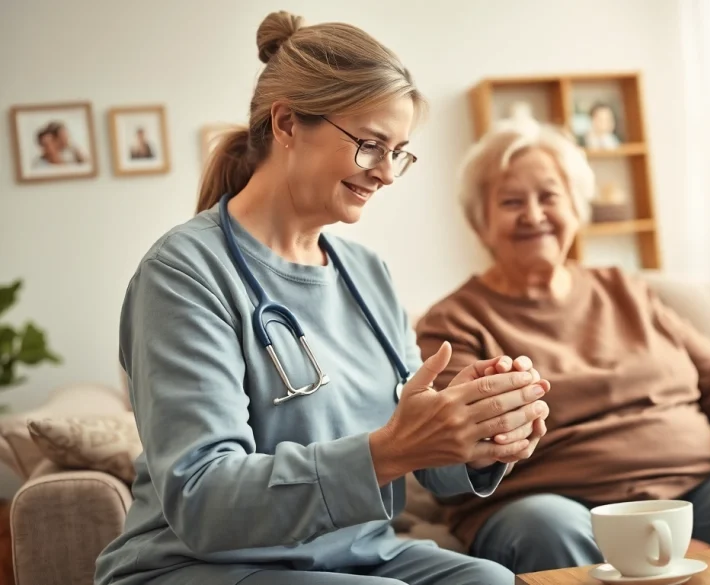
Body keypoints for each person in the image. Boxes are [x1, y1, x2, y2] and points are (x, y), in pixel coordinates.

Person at [94, 11, 550, 585]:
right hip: (203, 564)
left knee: (490, 581)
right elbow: (203, 498)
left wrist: (482, 433)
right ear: (287, 123)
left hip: (353, 558)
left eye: (399, 152)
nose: (385, 173)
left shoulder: (367, 272)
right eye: (370, 145)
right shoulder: (184, 274)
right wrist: (386, 451)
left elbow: (427, 463)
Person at [415, 118, 710, 575]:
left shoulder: (626, 291)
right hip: (561, 509)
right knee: (545, 528)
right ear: (480, 221)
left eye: (549, 196)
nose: (533, 214)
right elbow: (456, 447)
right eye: (511, 202)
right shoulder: (455, 322)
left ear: (575, 207)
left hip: (694, 494)